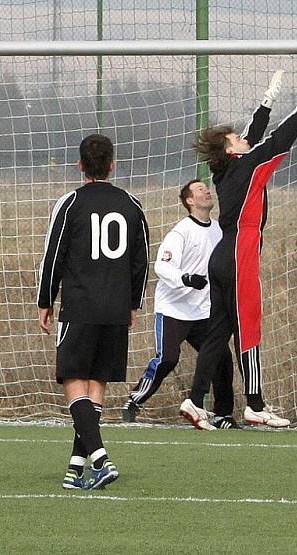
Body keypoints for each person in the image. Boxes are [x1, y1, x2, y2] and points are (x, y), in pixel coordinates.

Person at [182, 70, 297, 428]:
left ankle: (193, 400)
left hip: (223, 253)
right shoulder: (248, 165)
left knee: (219, 332)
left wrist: (268, 101)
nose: (243, 138)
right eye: (236, 138)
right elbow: (280, 141)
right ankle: (255, 405)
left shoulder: (226, 170)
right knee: (248, 325)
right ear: (229, 150)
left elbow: (253, 135)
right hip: (240, 250)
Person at [38, 134, 149, 489]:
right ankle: (75, 467)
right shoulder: (132, 204)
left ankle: (100, 459)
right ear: (113, 165)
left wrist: (45, 301)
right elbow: (140, 262)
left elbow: (52, 255)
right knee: (96, 382)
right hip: (116, 308)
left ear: (80, 165)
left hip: (81, 306)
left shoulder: (70, 204)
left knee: (74, 380)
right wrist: (134, 303)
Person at [121, 179, 238, 430]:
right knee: (168, 359)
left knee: (222, 357)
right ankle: (135, 400)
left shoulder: (219, 230)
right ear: (189, 201)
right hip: (173, 309)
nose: (206, 191)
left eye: (207, 188)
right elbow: (162, 266)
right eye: (199, 190)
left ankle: (223, 414)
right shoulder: (181, 231)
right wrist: (185, 279)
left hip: (203, 311)